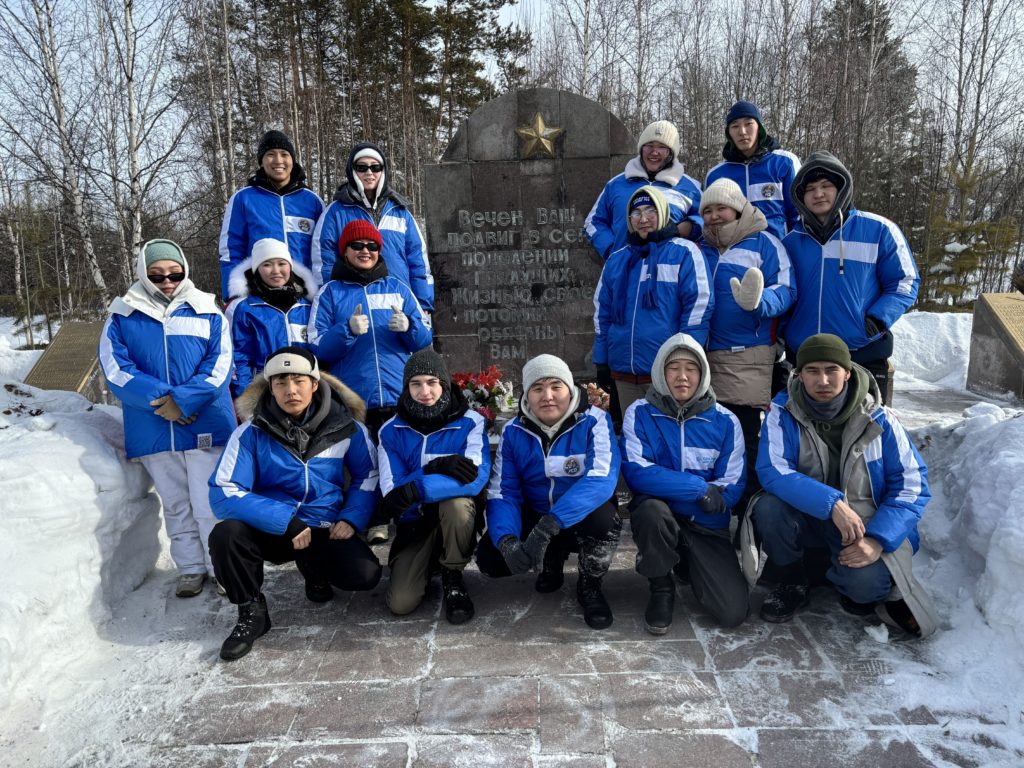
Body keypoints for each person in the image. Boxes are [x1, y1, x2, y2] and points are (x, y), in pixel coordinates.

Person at [753, 334, 938, 637]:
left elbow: (912, 486)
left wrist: (878, 540)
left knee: (865, 590)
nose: (822, 380)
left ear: (847, 372)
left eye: (831, 370)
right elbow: (773, 470)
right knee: (769, 508)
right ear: (799, 374)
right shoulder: (782, 413)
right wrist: (832, 504)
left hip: (866, 526)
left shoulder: (881, 418)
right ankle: (793, 579)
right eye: (812, 371)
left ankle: (841, 575)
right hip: (813, 518)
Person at [208, 347, 382, 660]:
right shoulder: (250, 432)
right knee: (226, 534)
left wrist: (351, 518)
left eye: (299, 380)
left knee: (365, 575)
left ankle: (314, 570)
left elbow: (367, 476)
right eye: (281, 382)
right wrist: (284, 520)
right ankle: (251, 612)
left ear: (315, 384)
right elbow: (223, 489)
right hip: (276, 529)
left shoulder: (346, 427)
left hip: (324, 526)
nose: (291, 390)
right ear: (269, 387)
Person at [99, 239, 236, 597]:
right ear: (143, 275)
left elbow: (219, 365)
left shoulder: (206, 309)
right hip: (154, 426)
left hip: (204, 421)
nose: (167, 282)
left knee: (210, 501)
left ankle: (219, 565)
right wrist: (164, 402)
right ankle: (190, 567)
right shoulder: (122, 315)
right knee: (175, 502)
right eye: (157, 276)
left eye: (174, 274)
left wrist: (185, 402)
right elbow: (116, 369)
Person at [477, 355, 622, 630]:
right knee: (491, 560)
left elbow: (601, 478)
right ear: (527, 395)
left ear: (570, 388)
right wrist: (507, 539)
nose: (548, 396)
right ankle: (550, 561)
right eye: (537, 388)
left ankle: (590, 584)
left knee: (605, 520)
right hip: (537, 510)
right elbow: (503, 491)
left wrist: (549, 526)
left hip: (578, 516)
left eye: (556, 386)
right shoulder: (513, 431)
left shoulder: (594, 422)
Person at [621, 334, 749, 634]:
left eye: (691, 368)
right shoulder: (639, 413)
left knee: (733, 613)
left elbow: (730, 489)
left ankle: (687, 562)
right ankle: (661, 586)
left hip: (705, 524)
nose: (682, 376)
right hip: (664, 515)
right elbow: (638, 473)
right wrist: (700, 489)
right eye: (673, 367)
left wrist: (677, 493)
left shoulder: (726, 421)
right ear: (660, 373)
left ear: (702, 373)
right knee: (652, 511)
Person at [782, 151, 919, 404]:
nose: (818, 194)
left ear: (842, 188)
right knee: (805, 436)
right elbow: (782, 290)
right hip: (805, 358)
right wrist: (784, 329)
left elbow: (905, 282)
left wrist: (878, 319)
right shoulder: (790, 241)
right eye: (810, 188)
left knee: (864, 434)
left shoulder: (878, 230)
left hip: (861, 354)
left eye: (826, 186)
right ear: (800, 197)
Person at [699, 178, 794, 506]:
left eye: (721, 208)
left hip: (747, 356)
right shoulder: (701, 248)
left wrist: (759, 301)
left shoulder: (765, 243)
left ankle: (748, 512)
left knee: (745, 438)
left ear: (738, 209)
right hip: (703, 356)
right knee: (712, 439)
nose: (714, 216)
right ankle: (716, 508)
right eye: (707, 210)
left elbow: (787, 289)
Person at [376, 349, 490, 624]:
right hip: (415, 522)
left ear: (444, 384)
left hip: (454, 515)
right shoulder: (390, 430)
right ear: (406, 387)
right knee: (401, 603)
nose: (424, 391)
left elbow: (474, 478)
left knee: (458, 505)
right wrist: (431, 468)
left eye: (432, 382)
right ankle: (427, 562)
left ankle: (453, 573)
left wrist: (416, 489)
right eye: (415, 384)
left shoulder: (470, 422)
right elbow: (393, 492)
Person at [593, 185, 714, 417]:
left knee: (667, 437)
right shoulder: (617, 260)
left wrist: (685, 357)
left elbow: (698, 307)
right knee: (631, 437)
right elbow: (602, 312)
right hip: (624, 372)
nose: (644, 219)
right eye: (636, 213)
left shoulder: (684, 252)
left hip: (666, 372)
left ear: (663, 213)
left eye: (651, 211)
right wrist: (602, 360)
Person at [307, 219, 432, 436]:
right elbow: (318, 347)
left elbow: (424, 337)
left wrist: (409, 326)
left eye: (372, 246)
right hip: (354, 403)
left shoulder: (398, 288)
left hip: (400, 398)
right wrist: (346, 330)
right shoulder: (330, 293)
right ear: (345, 251)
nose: (365, 251)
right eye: (357, 245)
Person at [311, 142, 433, 312]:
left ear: (383, 171)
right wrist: (331, 302)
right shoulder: (336, 212)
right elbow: (323, 262)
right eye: (362, 167)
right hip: (354, 305)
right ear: (352, 171)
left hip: (401, 303)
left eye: (375, 167)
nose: (369, 172)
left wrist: (423, 302)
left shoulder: (400, 211)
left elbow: (418, 259)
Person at [218, 130, 324, 301]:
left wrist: (321, 294)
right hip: (258, 296)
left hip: (303, 298)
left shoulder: (312, 201)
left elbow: (321, 254)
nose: (278, 160)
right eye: (270, 154)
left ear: (292, 160)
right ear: (261, 161)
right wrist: (232, 296)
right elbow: (231, 251)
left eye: (284, 154)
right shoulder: (243, 198)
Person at [585, 119, 703, 261]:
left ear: (671, 153)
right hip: (625, 271)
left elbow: (707, 222)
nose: (654, 152)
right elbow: (593, 222)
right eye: (649, 146)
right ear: (641, 149)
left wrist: (688, 227)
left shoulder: (690, 187)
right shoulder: (616, 184)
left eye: (662, 147)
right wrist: (612, 250)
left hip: (668, 272)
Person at [226, 238, 318, 399]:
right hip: (265, 391)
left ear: (290, 266)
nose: (276, 270)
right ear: (256, 269)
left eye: (281, 263)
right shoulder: (244, 308)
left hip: (304, 392)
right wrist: (246, 397)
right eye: (267, 264)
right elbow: (239, 358)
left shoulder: (308, 306)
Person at [706, 101, 801, 239]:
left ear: (759, 127)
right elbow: (709, 223)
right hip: (733, 255)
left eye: (748, 124)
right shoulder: (716, 175)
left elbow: (798, 215)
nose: (742, 131)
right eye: (735, 126)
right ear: (729, 133)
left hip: (777, 254)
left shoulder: (785, 162)